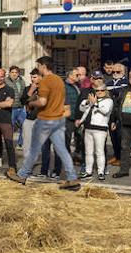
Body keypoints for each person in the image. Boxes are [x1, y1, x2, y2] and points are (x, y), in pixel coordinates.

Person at [7, 55, 80, 189]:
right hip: (58, 119)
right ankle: (72, 179)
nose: (37, 69)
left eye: (39, 66)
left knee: (34, 149)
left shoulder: (46, 81)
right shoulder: (59, 80)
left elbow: (42, 102)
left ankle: (22, 175)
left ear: (44, 66)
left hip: (46, 119)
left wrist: (30, 102)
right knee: (62, 150)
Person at [79, 83, 113, 181]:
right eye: (97, 90)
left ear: (105, 91)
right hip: (88, 128)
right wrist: (86, 102)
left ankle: (101, 172)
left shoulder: (109, 101)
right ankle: (88, 171)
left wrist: (95, 103)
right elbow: (81, 109)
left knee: (99, 152)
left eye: (101, 90)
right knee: (88, 152)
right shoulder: (93, 100)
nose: (99, 92)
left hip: (100, 129)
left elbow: (105, 111)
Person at [106, 63, 130, 164]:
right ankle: (116, 156)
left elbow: (122, 93)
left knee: (121, 137)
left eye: (118, 72)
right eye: (113, 71)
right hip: (111, 112)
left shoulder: (126, 82)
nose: (115, 73)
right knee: (113, 136)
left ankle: (122, 159)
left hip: (121, 113)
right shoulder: (109, 82)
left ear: (123, 72)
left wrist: (112, 92)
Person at [6, 66, 27, 148]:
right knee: (10, 127)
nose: (14, 74)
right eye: (12, 72)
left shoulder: (22, 81)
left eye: (16, 72)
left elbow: (24, 93)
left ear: (18, 74)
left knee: (24, 126)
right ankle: (9, 144)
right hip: (11, 108)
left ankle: (20, 143)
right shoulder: (6, 81)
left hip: (21, 107)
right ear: (10, 73)